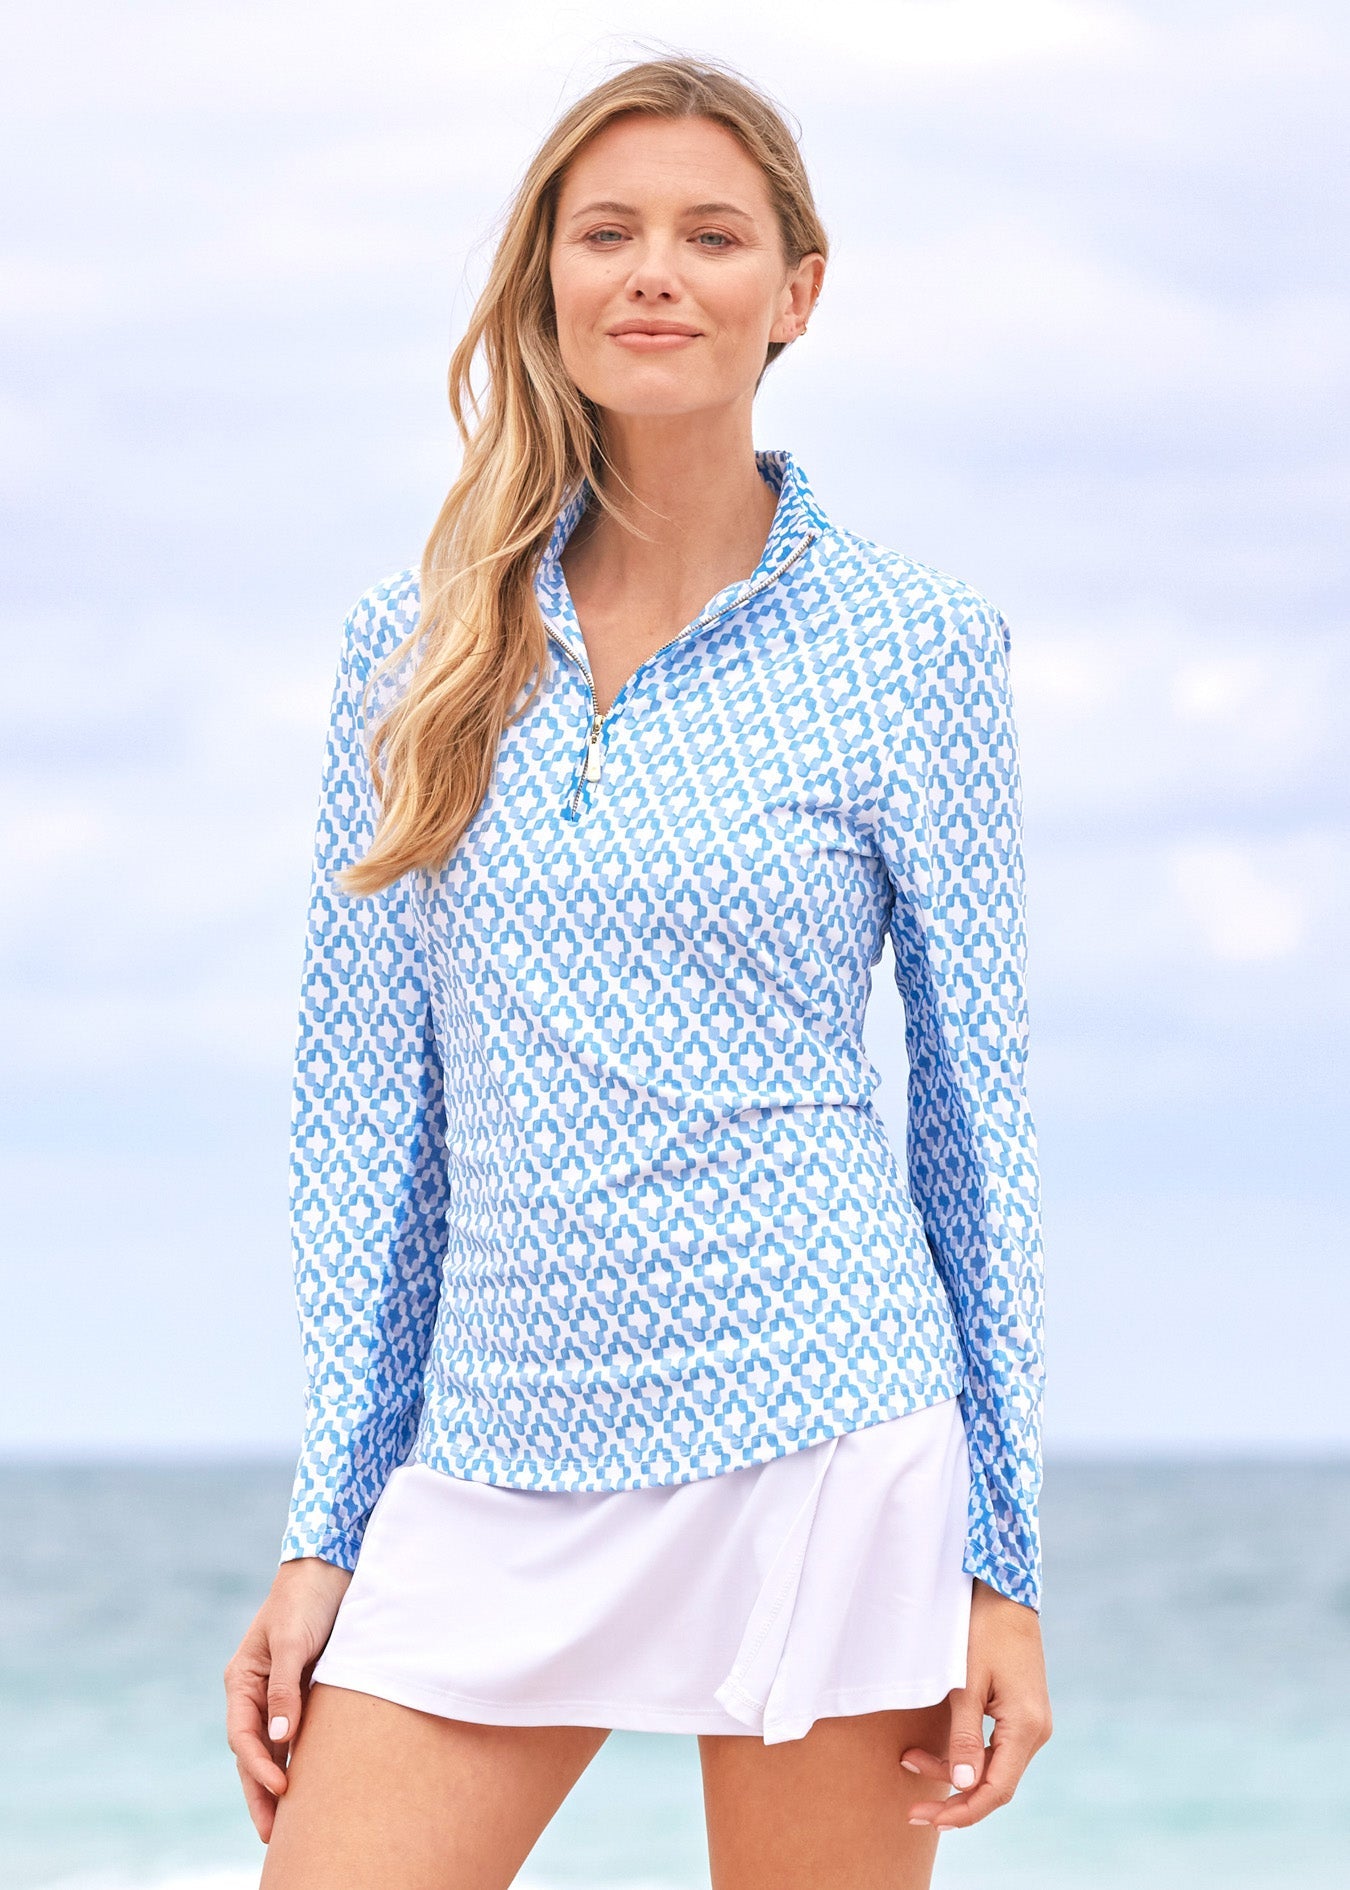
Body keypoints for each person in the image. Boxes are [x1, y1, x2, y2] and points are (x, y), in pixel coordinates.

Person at [224, 53, 1052, 1890]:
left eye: (709, 234)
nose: (653, 272)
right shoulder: (414, 650)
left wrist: (1004, 1558)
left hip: (820, 1424)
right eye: (605, 233)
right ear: (545, 283)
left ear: (795, 293)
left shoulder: (914, 649)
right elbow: (375, 1131)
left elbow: (973, 1125)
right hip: (496, 1449)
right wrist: (328, 1524)